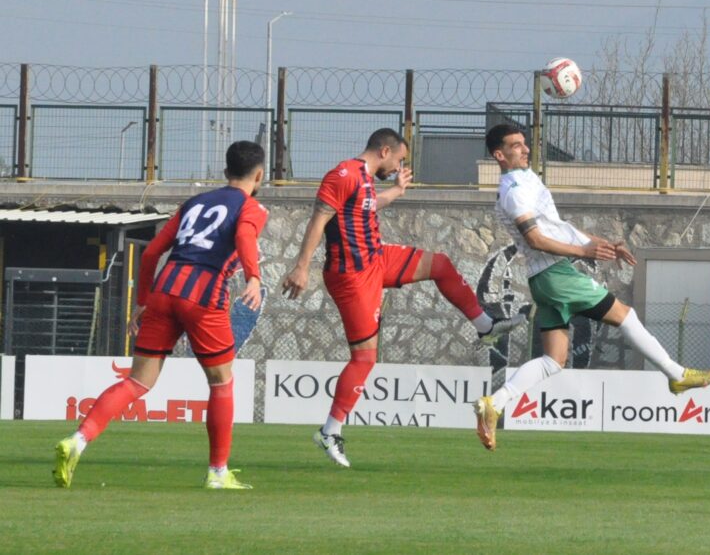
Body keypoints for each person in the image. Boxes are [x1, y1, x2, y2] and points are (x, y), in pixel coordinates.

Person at [281, 128, 524, 467]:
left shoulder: (365, 179)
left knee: (440, 264)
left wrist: (396, 190)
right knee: (364, 359)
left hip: (376, 259)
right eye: (399, 159)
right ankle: (329, 431)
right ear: (384, 151)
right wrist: (301, 266)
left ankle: (486, 326)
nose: (399, 166)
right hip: (353, 275)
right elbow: (318, 220)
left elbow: (367, 208)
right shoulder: (344, 174)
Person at [473, 124, 710, 451]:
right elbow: (535, 239)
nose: (526, 149)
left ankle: (495, 402)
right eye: (516, 145)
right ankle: (677, 375)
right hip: (556, 275)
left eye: (524, 143)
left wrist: (601, 244)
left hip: (544, 279)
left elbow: (558, 228)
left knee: (554, 360)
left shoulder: (525, 179)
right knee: (626, 316)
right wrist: (583, 252)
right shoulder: (514, 190)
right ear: (499, 155)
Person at [53, 140, 269, 489]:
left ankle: (78, 439)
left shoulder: (193, 203)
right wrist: (253, 277)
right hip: (203, 295)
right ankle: (217, 473)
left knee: (137, 381)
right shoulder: (251, 207)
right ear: (259, 175)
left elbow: (153, 252)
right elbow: (244, 234)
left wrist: (143, 301)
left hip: (164, 290)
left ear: (226, 171)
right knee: (221, 382)